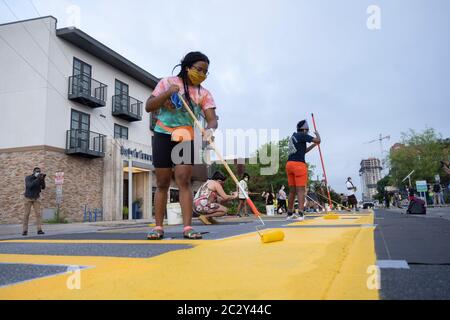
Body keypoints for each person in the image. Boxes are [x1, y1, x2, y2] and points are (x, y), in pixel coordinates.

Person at [145, 51, 218, 240]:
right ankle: (158, 227)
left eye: (205, 72)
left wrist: (210, 129)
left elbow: (211, 119)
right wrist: (168, 93)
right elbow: (149, 106)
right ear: (187, 67)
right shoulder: (167, 82)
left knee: (183, 180)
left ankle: (187, 227)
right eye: (199, 69)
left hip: (186, 135)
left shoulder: (203, 93)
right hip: (163, 133)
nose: (202, 74)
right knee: (162, 182)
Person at [285, 120, 321, 220]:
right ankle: (301, 213)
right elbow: (317, 140)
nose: (307, 132)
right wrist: (317, 134)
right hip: (299, 165)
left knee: (292, 191)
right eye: (307, 130)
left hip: (289, 164)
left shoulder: (294, 136)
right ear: (304, 129)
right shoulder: (302, 135)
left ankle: (289, 213)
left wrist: (314, 145)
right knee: (301, 190)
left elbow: (303, 151)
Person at [23, 167, 46, 236]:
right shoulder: (28, 178)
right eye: (37, 171)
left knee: (38, 214)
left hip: (36, 198)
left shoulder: (39, 178)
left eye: (39, 171)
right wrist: (37, 179)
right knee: (26, 214)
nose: (38, 173)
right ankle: (25, 231)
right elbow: (30, 186)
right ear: (33, 172)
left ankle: (39, 230)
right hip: (28, 198)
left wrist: (42, 179)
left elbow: (43, 187)